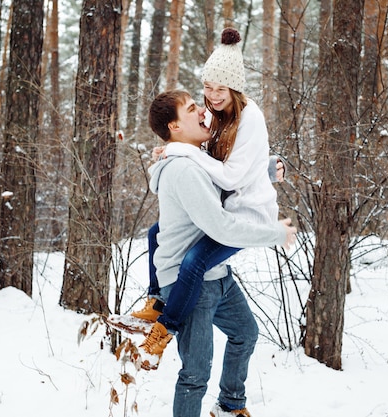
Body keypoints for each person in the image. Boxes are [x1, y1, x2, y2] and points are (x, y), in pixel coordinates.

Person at [109, 28, 285, 365]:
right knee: (154, 233)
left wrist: (184, 152)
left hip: (245, 213)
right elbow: (217, 160)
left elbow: (232, 172)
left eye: (220, 89)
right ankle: (155, 300)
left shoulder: (249, 118)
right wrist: (176, 149)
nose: (211, 97)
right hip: (229, 201)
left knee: (194, 261)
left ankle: (165, 327)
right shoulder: (215, 116)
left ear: (235, 88)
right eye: (207, 88)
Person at [144, 89, 296, 417]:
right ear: (175, 127)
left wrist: (266, 170)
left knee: (245, 334)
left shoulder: (197, 159)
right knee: (195, 374)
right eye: (190, 109)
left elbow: (231, 179)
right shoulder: (184, 170)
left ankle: (230, 405)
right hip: (190, 284)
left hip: (217, 276)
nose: (201, 110)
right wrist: (275, 233)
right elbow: (222, 227)